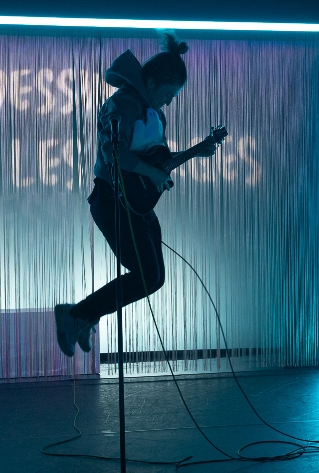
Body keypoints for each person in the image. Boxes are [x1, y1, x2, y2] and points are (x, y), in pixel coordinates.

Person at [54, 31, 217, 356]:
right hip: (112, 203)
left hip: (137, 206)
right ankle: (76, 314)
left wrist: (187, 157)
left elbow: (152, 161)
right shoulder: (122, 105)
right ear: (153, 83)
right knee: (147, 276)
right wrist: (152, 172)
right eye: (168, 93)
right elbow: (116, 155)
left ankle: (82, 315)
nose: (169, 101)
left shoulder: (155, 115)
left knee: (152, 278)